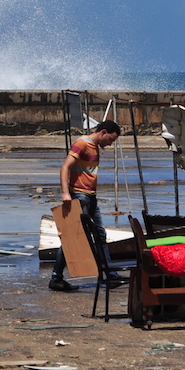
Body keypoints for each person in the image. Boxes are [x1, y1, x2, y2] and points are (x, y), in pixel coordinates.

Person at [49, 120, 122, 291]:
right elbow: (65, 167)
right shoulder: (82, 144)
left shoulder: (95, 146)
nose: (110, 144)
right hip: (81, 196)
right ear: (103, 132)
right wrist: (65, 192)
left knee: (99, 234)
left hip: (91, 197)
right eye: (110, 139)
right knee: (73, 237)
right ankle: (56, 278)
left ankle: (109, 274)